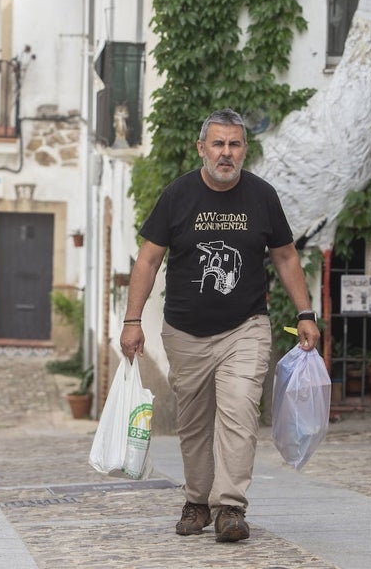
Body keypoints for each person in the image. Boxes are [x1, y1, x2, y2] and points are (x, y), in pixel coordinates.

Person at [120, 108, 320, 543]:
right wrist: (132, 320)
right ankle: (196, 501)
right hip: (185, 331)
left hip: (244, 327)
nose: (226, 153)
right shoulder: (178, 196)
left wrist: (305, 312)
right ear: (202, 148)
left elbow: (285, 256)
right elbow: (149, 258)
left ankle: (229, 506)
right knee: (194, 422)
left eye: (234, 145)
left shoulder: (262, 196)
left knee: (240, 412)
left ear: (244, 150)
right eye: (218, 144)